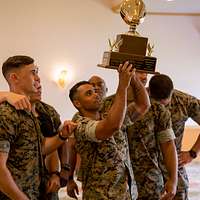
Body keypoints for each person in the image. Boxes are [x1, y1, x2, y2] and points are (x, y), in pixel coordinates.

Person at [69, 62, 150, 200]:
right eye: (89, 93)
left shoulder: (108, 115)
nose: (96, 94)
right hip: (100, 194)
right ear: (78, 103)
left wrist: (132, 76)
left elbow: (143, 105)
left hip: (125, 192)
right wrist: (123, 85)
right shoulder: (79, 123)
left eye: (95, 91)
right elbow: (111, 127)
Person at [0, 55, 76, 200]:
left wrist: (62, 137)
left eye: (37, 71)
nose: (38, 78)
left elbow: (39, 149)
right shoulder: (5, 113)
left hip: (42, 191)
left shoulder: (34, 111)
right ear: (14, 78)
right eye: (32, 72)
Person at [132, 71, 200, 199]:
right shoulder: (137, 101)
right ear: (149, 92)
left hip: (174, 172)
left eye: (165, 102)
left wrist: (192, 153)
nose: (161, 107)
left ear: (172, 91)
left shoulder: (185, 101)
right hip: (144, 176)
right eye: (157, 102)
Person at [128, 73, 178, 200]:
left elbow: (168, 145)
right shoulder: (110, 104)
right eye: (136, 72)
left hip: (148, 180)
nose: (141, 77)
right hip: (116, 181)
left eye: (144, 74)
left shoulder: (158, 110)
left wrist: (173, 179)